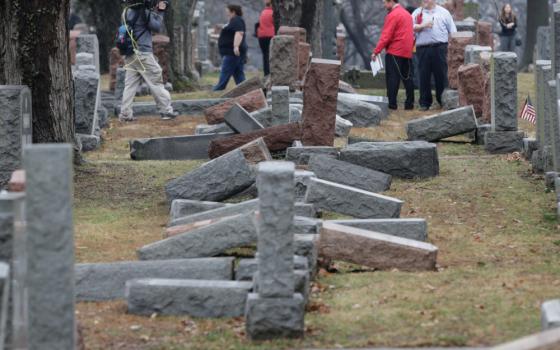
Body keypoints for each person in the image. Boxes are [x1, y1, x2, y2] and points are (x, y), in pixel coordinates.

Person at [119, 1, 178, 121]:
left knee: (130, 85)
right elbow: (156, 27)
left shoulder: (126, 11)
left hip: (130, 53)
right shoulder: (144, 12)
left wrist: (153, 12)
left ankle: (125, 114)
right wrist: (160, 12)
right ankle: (166, 111)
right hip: (143, 53)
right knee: (156, 80)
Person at [412, 0, 456, 111]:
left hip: (440, 48)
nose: (425, 1)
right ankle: (424, 102)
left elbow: (453, 31)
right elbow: (409, 28)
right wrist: (423, 25)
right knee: (423, 76)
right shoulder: (417, 13)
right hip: (423, 49)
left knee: (441, 75)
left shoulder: (444, 13)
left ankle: (442, 100)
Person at [372, 0, 415, 111]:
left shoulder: (393, 15)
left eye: (385, 2)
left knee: (392, 79)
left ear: (391, 1)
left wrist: (376, 51)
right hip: (407, 52)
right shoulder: (407, 14)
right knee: (408, 78)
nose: (384, 5)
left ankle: (392, 105)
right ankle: (409, 104)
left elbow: (386, 36)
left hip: (395, 52)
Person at [213, 5, 248, 91]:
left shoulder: (237, 20)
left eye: (227, 11)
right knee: (238, 73)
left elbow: (239, 33)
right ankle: (244, 89)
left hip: (232, 52)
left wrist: (236, 46)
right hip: (232, 52)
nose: (226, 13)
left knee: (226, 70)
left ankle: (219, 88)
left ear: (233, 11)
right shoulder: (234, 20)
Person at [257, 0, 275, 77]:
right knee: (272, 55)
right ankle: (272, 73)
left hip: (261, 37)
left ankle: (266, 73)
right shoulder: (273, 13)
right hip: (270, 36)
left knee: (265, 56)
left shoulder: (262, 13)